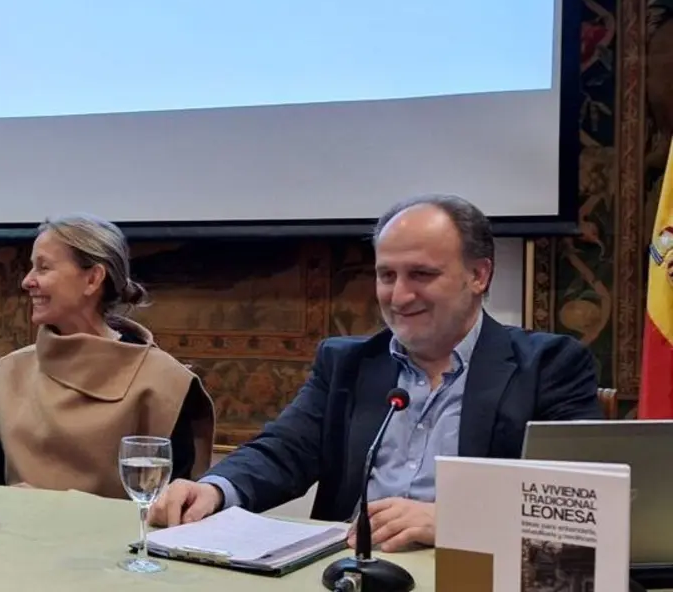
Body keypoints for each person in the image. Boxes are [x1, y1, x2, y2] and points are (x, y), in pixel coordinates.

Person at [148, 194, 601, 552]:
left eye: (421, 274)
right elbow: (284, 451)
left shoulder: (549, 366)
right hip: (350, 568)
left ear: (479, 275)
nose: (399, 297)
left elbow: (578, 503)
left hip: (467, 569)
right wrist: (215, 490)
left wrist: (457, 520)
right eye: (387, 276)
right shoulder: (348, 363)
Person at [0, 213, 216, 499]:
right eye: (31, 267)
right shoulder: (11, 371)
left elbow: (171, 504)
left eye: (43, 268)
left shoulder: (164, 383)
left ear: (93, 279)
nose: (27, 281)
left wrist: (53, 508)